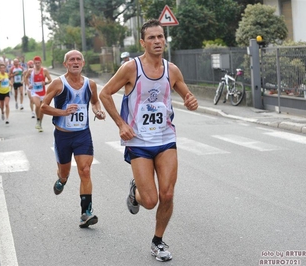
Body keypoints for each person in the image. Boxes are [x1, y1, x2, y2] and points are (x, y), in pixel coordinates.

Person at [99, 19, 198, 262]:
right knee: (151, 200)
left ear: (165, 39)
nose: (157, 41)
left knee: (167, 194)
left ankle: (157, 241)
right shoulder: (131, 69)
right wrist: (121, 124)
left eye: (160, 37)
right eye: (152, 38)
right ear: (142, 42)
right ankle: (136, 191)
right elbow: (105, 93)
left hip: (165, 139)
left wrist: (190, 100)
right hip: (139, 142)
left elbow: (186, 93)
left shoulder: (171, 70)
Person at [40, 50, 106, 228]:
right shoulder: (57, 84)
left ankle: (86, 213)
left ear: (83, 63)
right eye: (71, 60)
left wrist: (98, 111)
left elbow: (94, 101)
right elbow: (43, 107)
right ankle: (61, 180)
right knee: (64, 172)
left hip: (82, 134)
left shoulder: (90, 84)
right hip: (62, 135)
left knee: (85, 170)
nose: (75, 62)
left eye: (78, 59)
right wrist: (63, 112)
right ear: (66, 64)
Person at [26, 56, 52, 132]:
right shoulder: (31, 71)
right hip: (34, 92)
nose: (37, 64)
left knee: (42, 108)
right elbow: (25, 78)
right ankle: (38, 119)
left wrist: (46, 82)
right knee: (37, 105)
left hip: (43, 92)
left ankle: (39, 122)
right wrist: (28, 85)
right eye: (36, 63)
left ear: (41, 63)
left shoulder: (44, 71)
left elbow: (50, 80)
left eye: (38, 63)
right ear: (33, 63)